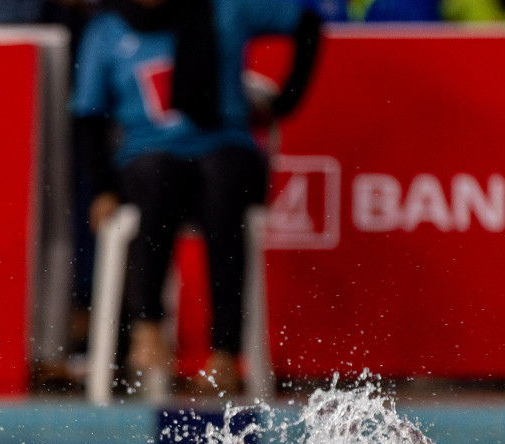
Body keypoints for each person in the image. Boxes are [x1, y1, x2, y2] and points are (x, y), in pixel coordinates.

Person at [72, 0, 322, 398]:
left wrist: (285, 100)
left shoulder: (225, 9)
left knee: (222, 186)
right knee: (159, 176)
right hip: (146, 155)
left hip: (225, 145)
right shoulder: (107, 30)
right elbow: (88, 117)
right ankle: (147, 324)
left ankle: (226, 351)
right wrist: (102, 188)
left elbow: (306, 21)